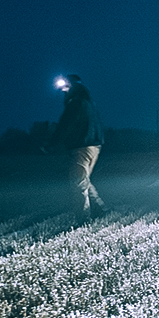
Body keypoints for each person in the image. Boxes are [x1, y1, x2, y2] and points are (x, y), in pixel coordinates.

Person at [46, 74, 108, 215]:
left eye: (66, 87)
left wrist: (51, 143)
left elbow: (65, 125)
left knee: (78, 183)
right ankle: (101, 209)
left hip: (82, 146)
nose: (63, 90)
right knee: (83, 179)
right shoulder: (89, 102)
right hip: (94, 145)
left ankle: (83, 219)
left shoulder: (76, 102)